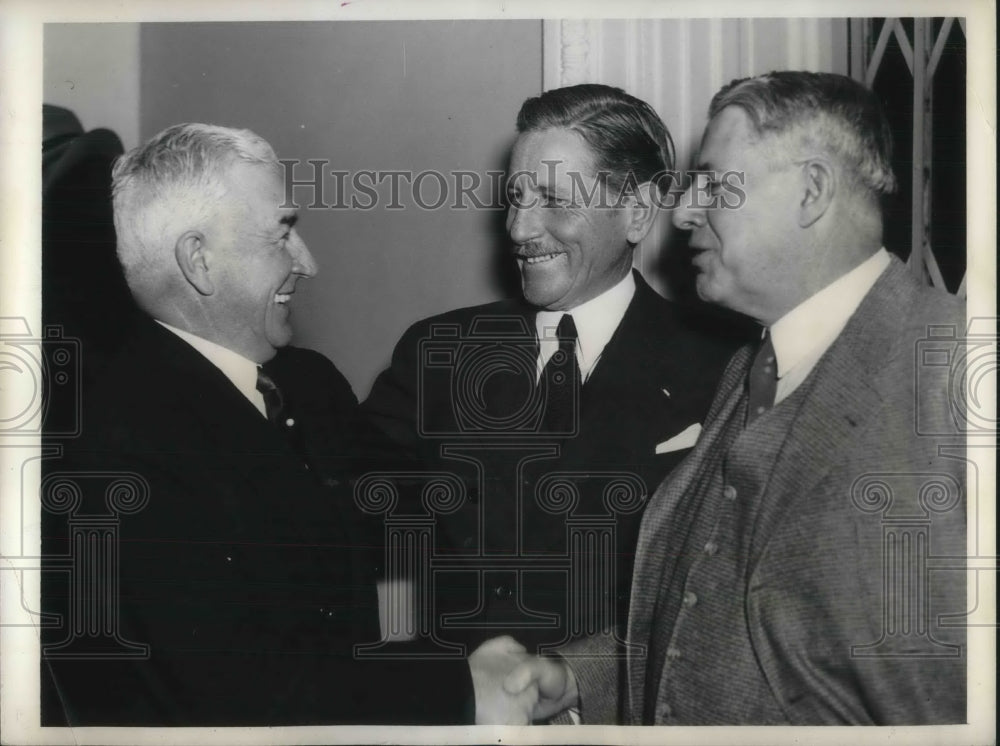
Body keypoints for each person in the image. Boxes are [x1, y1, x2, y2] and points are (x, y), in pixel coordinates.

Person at [504, 71, 967, 725]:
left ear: (811, 192)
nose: (686, 211)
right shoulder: (751, 370)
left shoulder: (950, 376)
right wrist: (579, 675)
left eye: (716, 184)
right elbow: (721, 617)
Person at [40, 123, 535, 726]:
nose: (309, 262)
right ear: (199, 261)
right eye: (283, 232)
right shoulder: (114, 450)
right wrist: (459, 688)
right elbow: (235, 696)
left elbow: (420, 508)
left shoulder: (306, 383)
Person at [360, 84, 741, 657]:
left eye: (555, 200)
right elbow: (345, 523)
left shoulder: (723, 367)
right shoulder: (439, 350)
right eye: (516, 197)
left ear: (636, 211)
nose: (518, 229)